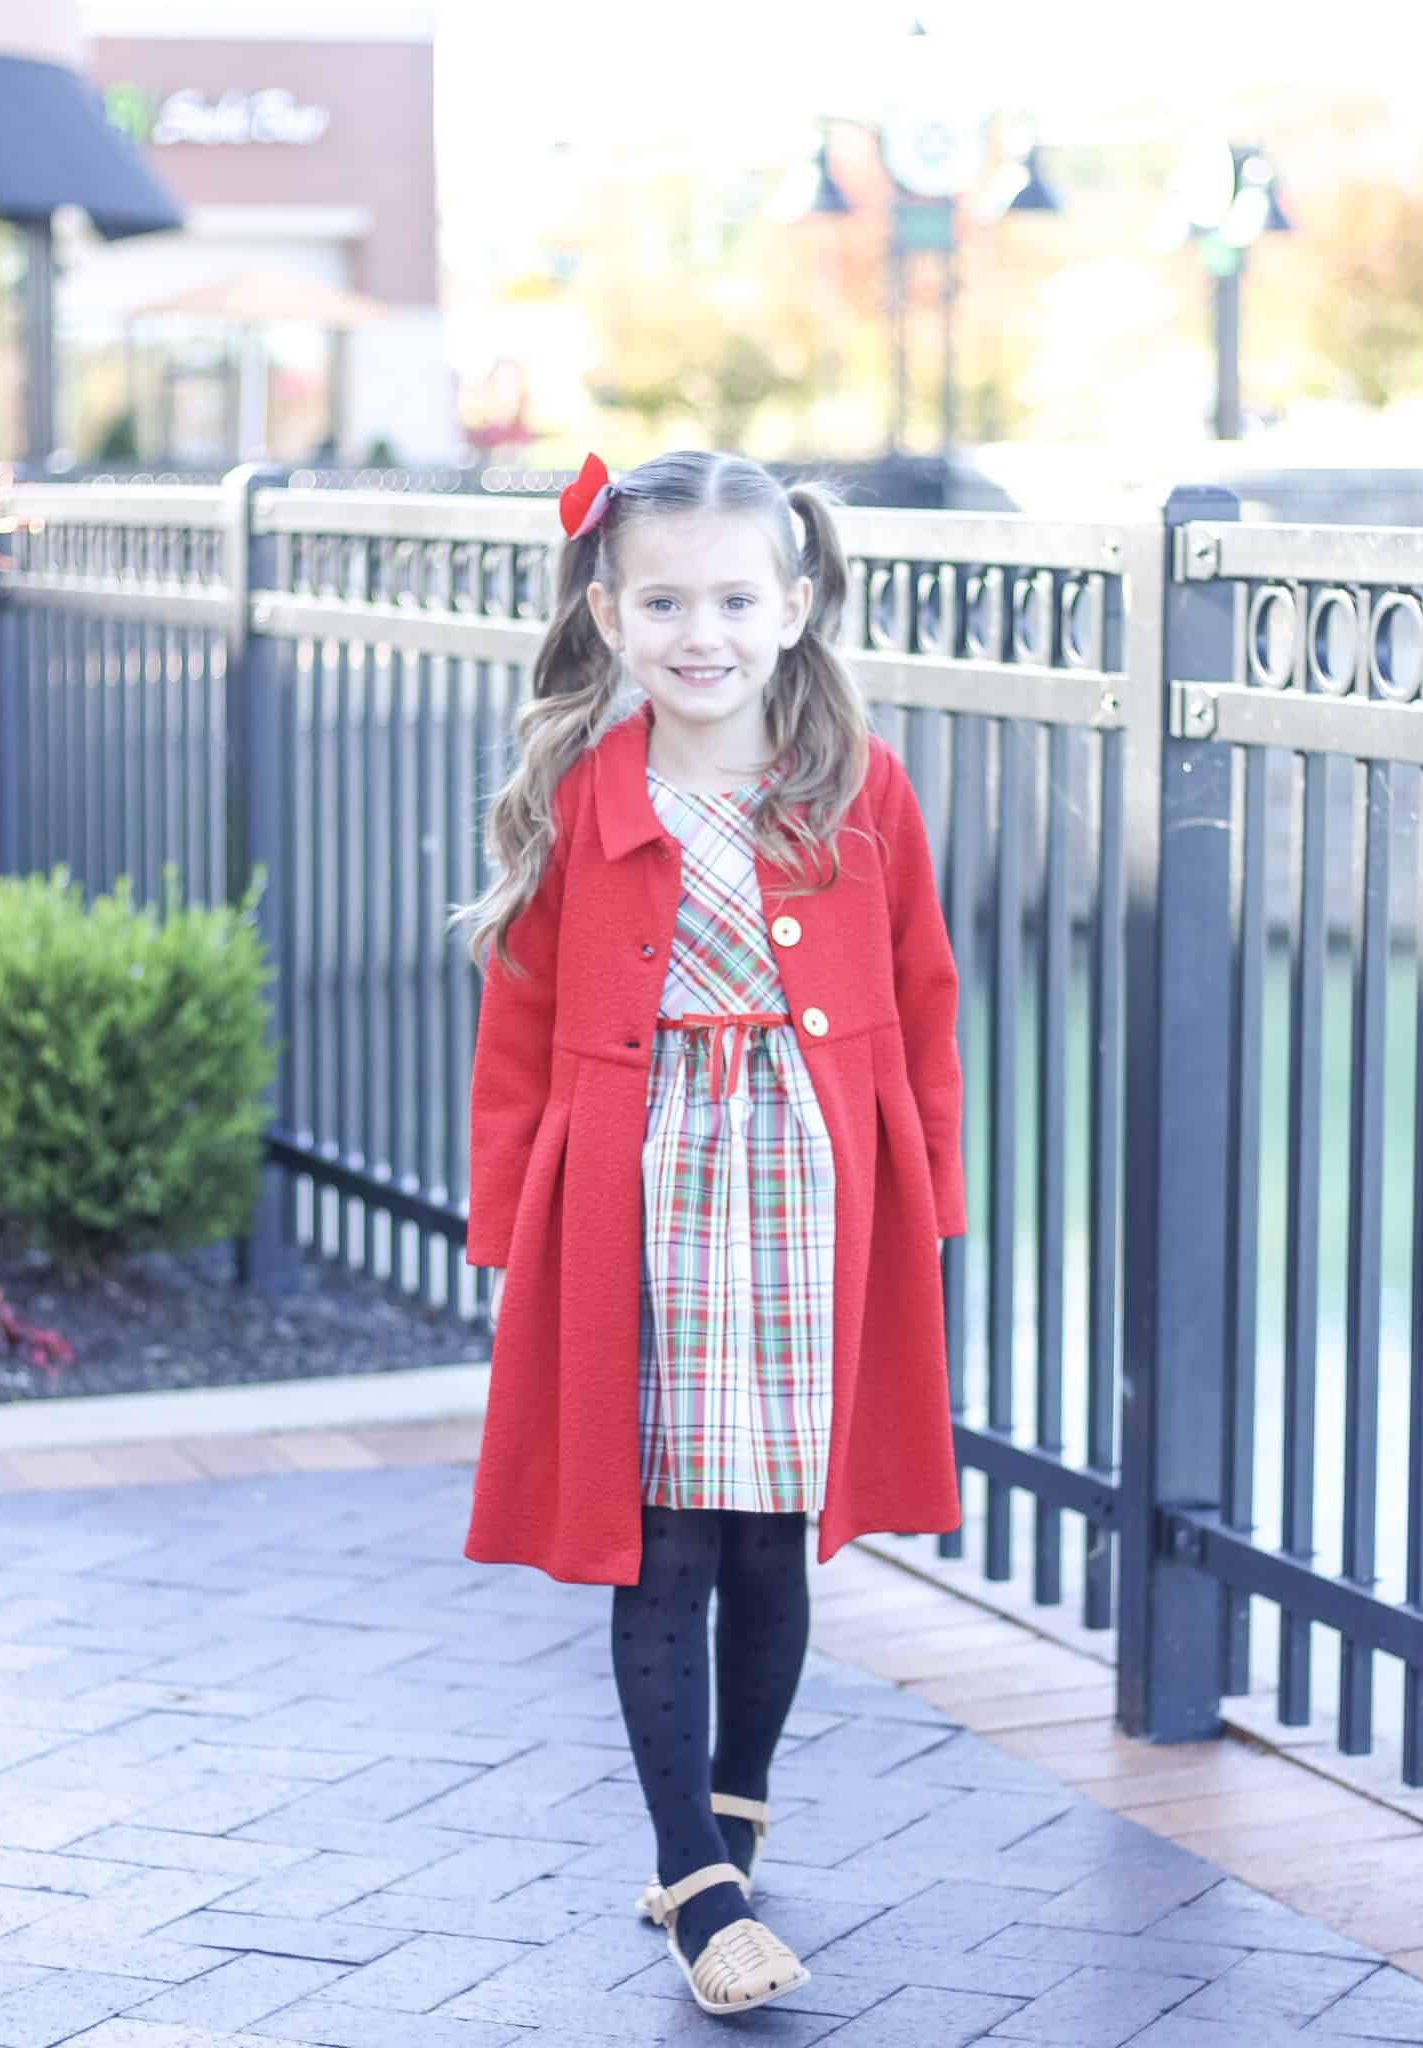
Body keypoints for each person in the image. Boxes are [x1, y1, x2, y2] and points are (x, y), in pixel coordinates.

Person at [448, 448, 966, 2018]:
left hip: (810, 1190)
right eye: (664, 601)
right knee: (657, 1527)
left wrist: (927, 1193)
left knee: (769, 1523)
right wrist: (506, 1225)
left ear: (796, 607)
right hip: (640, 1197)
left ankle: (733, 1806)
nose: (702, 635)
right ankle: (693, 1874)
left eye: (735, 600)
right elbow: (519, 1021)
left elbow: (926, 996)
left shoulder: (861, 789)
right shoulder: (577, 792)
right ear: (606, 613)